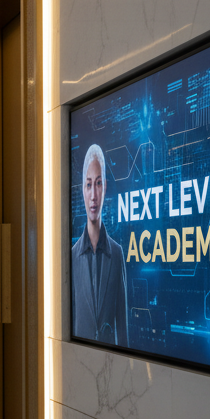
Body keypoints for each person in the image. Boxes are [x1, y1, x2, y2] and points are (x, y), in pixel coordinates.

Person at [71, 143, 128, 345]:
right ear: (83, 191)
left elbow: (123, 329)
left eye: (97, 184)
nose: (93, 195)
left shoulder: (118, 254)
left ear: (105, 186)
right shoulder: (71, 258)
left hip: (111, 368)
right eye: (88, 185)